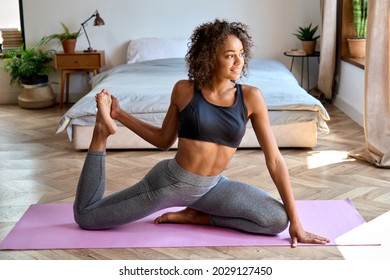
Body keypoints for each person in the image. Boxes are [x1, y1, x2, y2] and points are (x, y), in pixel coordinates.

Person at [73, 19, 330, 248]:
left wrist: (297, 223)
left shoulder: (251, 97)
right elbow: (164, 141)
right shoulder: (184, 90)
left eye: (241, 53)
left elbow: (274, 160)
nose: (239, 61)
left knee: (276, 220)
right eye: (230, 55)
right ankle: (100, 133)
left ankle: (197, 215)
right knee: (86, 216)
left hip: (212, 187)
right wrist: (118, 115)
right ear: (209, 57)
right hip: (169, 185)